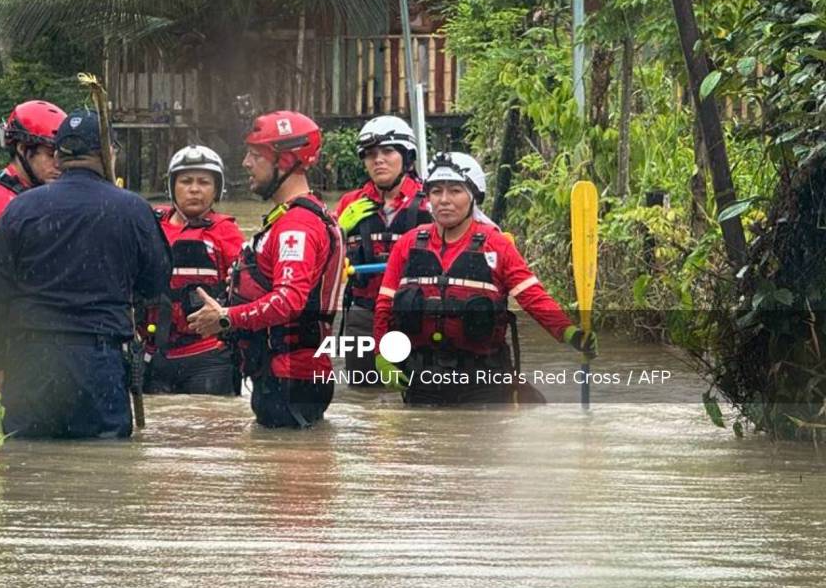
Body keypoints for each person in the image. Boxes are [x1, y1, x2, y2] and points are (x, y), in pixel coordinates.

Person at [0, 109, 171, 438]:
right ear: (108, 153)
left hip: (30, 363)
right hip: (99, 362)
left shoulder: (20, 208)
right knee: (104, 473)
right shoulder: (132, 209)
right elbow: (157, 282)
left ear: (60, 155)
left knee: (26, 469)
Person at [372, 152, 597, 404]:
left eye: (455, 190)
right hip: (422, 380)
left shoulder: (496, 245)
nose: (444, 200)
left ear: (473, 197)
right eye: (436, 191)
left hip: (484, 382)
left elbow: (533, 299)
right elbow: (384, 306)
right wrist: (382, 354)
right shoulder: (407, 244)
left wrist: (569, 333)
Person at [187, 110, 345, 428]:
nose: (245, 163)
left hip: (289, 380)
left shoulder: (297, 227)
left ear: (285, 161)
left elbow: (288, 301)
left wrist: (226, 318)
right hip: (287, 376)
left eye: (255, 155)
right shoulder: (293, 218)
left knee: (285, 474)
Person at [333, 115, 431, 385]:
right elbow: (320, 258)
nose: (378, 160)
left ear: (407, 157)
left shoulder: (434, 200)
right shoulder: (349, 203)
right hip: (363, 314)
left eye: (388, 152)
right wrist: (337, 231)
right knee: (363, 400)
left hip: (416, 314)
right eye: (371, 154)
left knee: (420, 396)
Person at [142, 145, 245, 395]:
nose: (195, 189)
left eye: (204, 182)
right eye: (186, 181)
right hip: (153, 354)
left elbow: (244, 290)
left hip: (208, 356)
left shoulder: (225, 232)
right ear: (172, 187)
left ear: (216, 189)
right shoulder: (149, 226)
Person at [0, 100, 66, 272]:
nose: (59, 164)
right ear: (22, 148)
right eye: (50, 155)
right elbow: (38, 262)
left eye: (62, 156)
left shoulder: (45, 191)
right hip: (4, 298)